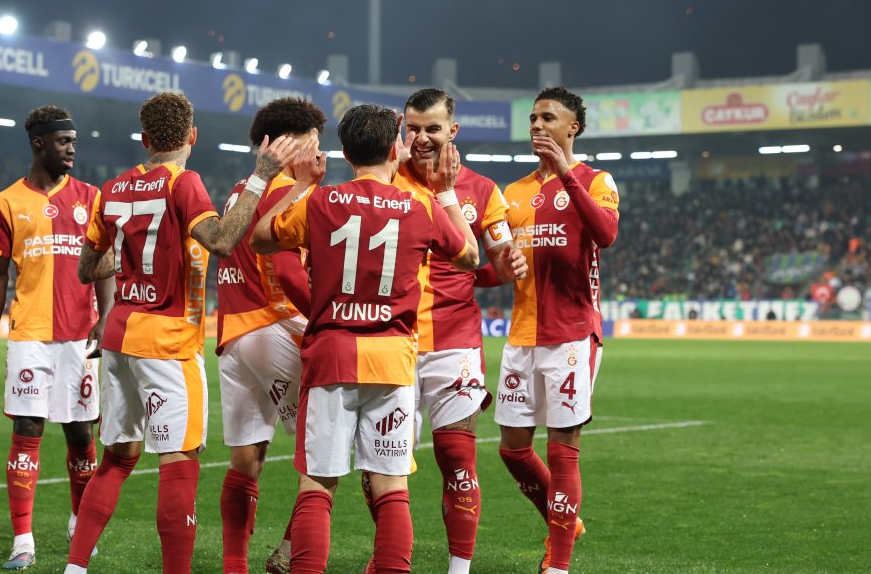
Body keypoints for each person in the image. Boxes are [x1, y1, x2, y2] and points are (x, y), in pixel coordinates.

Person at [65, 92, 298, 574]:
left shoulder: (111, 189)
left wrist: (131, 261)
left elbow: (89, 268)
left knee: (117, 459)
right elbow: (223, 241)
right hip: (168, 342)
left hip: (119, 339)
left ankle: (75, 566)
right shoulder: (183, 181)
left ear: (145, 139)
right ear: (193, 136)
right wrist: (260, 175)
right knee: (179, 462)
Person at [251, 104, 481, 574]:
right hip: (392, 362)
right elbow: (471, 256)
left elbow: (258, 237)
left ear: (345, 153)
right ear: (395, 148)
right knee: (391, 489)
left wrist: (300, 184)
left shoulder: (320, 201)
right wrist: (446, 192)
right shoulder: (420, 206)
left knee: (317, 487)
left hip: (331, 359)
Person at [369, 88, 527, 574]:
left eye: (432, 129)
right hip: (389, 341)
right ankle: (389, 556)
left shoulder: (483, 190)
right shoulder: (384, 179)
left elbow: (497, 263)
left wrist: (510, 264)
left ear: (452, 131)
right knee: (381, 467)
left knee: (457, 458)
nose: (421, 138)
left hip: (454, 343)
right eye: (413, 128)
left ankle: (459, 570)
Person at [487, 86, 619, 574]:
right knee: (512, 449)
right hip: (522, 334)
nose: (538, 126)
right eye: (533, 119)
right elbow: (498, 264)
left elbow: (606, 234)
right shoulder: (513, 193)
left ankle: (557, 562)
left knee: (563, 452)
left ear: (572, 127)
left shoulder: (597, 181)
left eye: (548, 118)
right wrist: (498, 268)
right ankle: (566, 522)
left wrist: (566, 174)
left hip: (572, 335)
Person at [0, 106, 115, 570]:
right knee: (27, 428)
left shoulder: (91, 198)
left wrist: (106, 317)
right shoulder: (6, 202)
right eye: (64, 141)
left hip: (79, 334)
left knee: (80, 432)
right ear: (39, 143)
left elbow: (105, 264)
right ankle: (23, 540)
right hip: (29, 333)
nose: (72, 149)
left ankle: (80, 525)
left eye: (74, 141)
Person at [213, 98, 325, 574]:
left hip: (234, 336)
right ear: (289, 144)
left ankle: (234, 565)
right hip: (275, 326)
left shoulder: (244, 188)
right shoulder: (287, 189)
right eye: (315, 143)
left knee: (245, 459)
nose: (320, 153)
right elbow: (287, 269)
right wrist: (323, 319)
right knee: (321, 453)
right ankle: (289, 552)